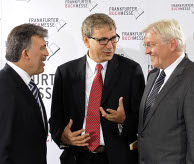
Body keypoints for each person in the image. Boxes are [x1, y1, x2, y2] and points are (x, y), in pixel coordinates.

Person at [49, 13, 145, 164]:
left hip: (117, 158)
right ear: (86, 40)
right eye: (102, 40)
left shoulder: (132, 70)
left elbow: (143, 120)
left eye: (113, 38)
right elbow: (55, 118)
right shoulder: (65, 72)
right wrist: (62, 136)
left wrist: (124, 120)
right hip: (77, 157)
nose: (110, 45)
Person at [138, 19, 194, 164]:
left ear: (172, 44)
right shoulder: (153, 75)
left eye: (150, 45)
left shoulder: (191, 77)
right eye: (145, 45)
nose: (146, 51)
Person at [0, 23, 49, 164]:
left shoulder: (25, 84)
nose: (47, 53)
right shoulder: (4, 87)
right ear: (26, 53)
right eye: (42, 48)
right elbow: (3, 149)